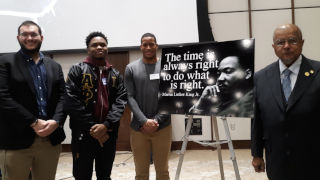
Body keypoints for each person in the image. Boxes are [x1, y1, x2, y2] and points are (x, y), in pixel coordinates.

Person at [251, 24, 320, 180]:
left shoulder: (317, 72)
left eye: (292, 41)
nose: (287, 46)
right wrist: (256, 154)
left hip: (313, 159)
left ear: (302, 43)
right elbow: (256, 120)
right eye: (281, 42)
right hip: (277, 160)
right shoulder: (260, 78)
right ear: (274, 46)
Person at [0, 20, 66, 180]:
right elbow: (2, 97)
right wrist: (34, 122)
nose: (29, 38)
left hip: (50, 139)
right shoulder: (5, 62)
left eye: (34, 34)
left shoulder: (54, 66)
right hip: (16, 139)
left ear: (41, 37)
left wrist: (56, 121)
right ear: (18, 37)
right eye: (25, 34)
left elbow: (63, 97)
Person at [64, 31, 127, 180]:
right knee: (82, 175)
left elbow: (121, 100)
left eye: (103, 45)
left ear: (107, 48)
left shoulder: (115, 74)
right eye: (95, 45)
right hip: (83, 134)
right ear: (88, 49)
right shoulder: (77, 70)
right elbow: (71, 101)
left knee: (104, 175)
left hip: (108, 135)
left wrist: (105, 125)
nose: (99, 47)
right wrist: (93, 128)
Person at [124, 33, 172, 180]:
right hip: (139, 128)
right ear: (141, 47)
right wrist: (144, 121)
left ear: (156, 45)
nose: (148, 47)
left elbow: (171, 96)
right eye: (145, 44)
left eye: (152, 44)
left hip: (163, 126)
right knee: (141, 173)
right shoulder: (131, 68)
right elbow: (129, 97)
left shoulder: (167, 66)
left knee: (163, 171)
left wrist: (156, 120)